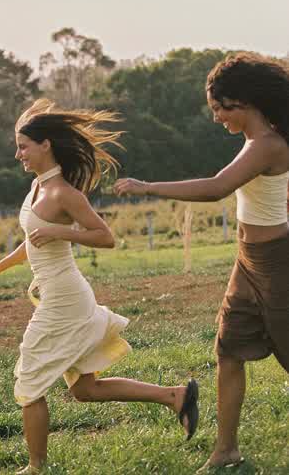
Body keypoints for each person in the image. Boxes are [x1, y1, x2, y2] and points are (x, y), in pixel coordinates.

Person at [0, 99, 199, 474]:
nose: (18, 154)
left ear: (45, 145)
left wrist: (60, 231)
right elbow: (33, 241)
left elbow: (105, 237)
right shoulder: (37, 187)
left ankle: (35, 467)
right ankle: (175, 396)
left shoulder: (64, 194)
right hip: (60, 296)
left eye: (23, 146)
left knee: (29, 382)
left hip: (64, 302)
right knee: (85, 390)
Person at [113, 52, 289, 471]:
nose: (215, 118)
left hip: (278, 264)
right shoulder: (257, 142)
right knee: (228, 348)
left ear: (242, 102)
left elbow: (215, 188)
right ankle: (226, 450)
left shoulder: (267, 145)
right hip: (248, 262)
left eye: (219, 108)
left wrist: (147, 187)